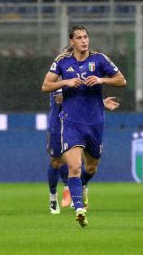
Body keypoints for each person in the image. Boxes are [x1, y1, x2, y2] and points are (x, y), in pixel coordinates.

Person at [41, 25, 126, 227]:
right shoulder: (62, 61)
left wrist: (100, 79)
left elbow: (122, 80)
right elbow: (45, 86)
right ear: (72, 42)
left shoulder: (99, 59)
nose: (84, 40)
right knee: (74, 166)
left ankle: (82, 187)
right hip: (70, 121)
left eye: (86, 37)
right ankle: (79, 208)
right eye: (79, 37)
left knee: (91, 167)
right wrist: (66, 82)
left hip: (95, 121)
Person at [47, 88, 120, 215]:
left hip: (81, 124)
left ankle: (76, 186)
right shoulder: (60, 72)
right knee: (56, 161)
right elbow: (59, 98)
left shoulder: (88, 73)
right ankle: (53, 197)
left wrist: (99, 103)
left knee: (86, 166)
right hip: (58, 124)